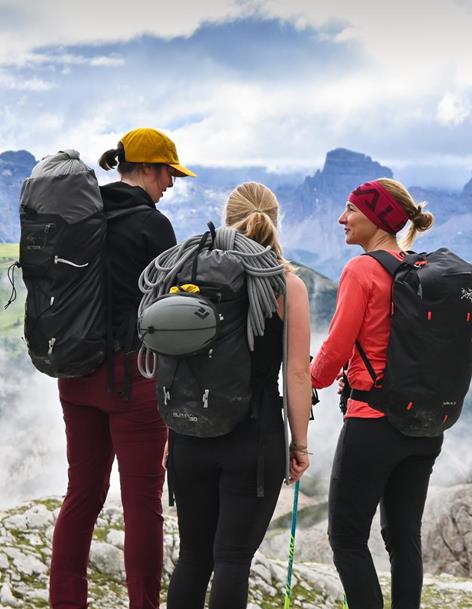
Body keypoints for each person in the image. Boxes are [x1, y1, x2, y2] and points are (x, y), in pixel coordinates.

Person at [50, 128, 194, 609]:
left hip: (74, 374)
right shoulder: (154, 227)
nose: (170, 185)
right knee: (141, 504)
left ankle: (66, 602)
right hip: (132, 379)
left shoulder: (81, 216)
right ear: (149, 170)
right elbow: (172, 309)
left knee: (82, 495)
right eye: (168, 174)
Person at [164, 182, 312, 609]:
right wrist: (299, 445)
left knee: (193, 557)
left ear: (227, 218)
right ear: (275, 220)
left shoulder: (185, 270)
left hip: (190, 434)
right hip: (254, 437)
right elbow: (297, 373)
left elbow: (170, 360)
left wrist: (169, 434)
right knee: (232, 560)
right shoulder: (286, 285)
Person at [310, 177, 438, 609]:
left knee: (346, 538)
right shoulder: (417, 269)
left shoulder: (362, 269)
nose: (341, 218)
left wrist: (303, 379)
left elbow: (334, 353)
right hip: (423, 425)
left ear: (379, 217)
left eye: (351, 210)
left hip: (373, 424)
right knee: (404, 538)